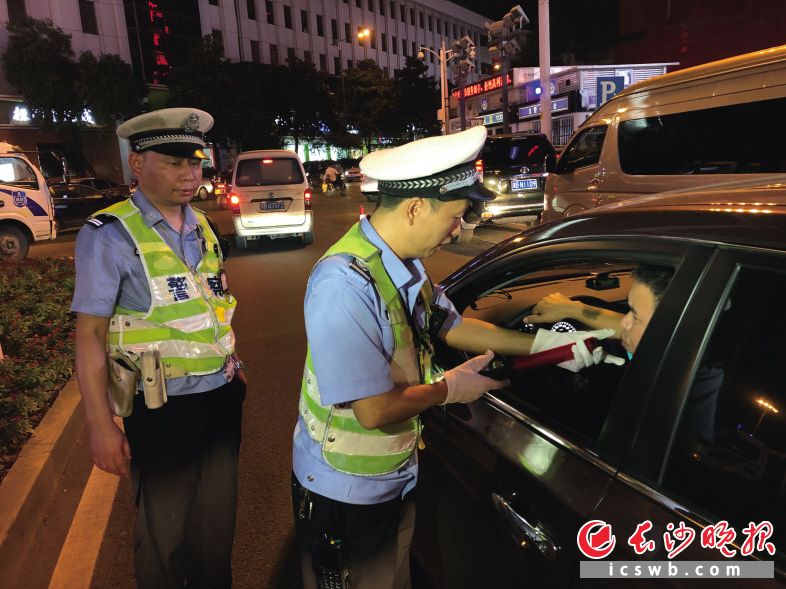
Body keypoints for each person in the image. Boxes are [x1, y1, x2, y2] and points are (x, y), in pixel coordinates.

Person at [292, 126, 617, 589]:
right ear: (416, 207)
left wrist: (547, 346)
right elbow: (373, 410)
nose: (460, 229)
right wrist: (448, 389)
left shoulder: (405, 263)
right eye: (457, 215)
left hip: (390, 472)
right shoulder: (343, 285)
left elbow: (454, 325)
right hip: (345, 487)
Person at [71, 107, 246, 588]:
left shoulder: (203, 226)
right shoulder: (108, 235)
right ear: (137, 163)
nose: (190, 175)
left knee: (216, 533)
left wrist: (236, 363)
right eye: (173, 162)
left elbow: (216, 304)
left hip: (220, 399)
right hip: (161, 409)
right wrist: (100, 424)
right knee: (164, 540)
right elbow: (89, 334)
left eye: (195, 163)